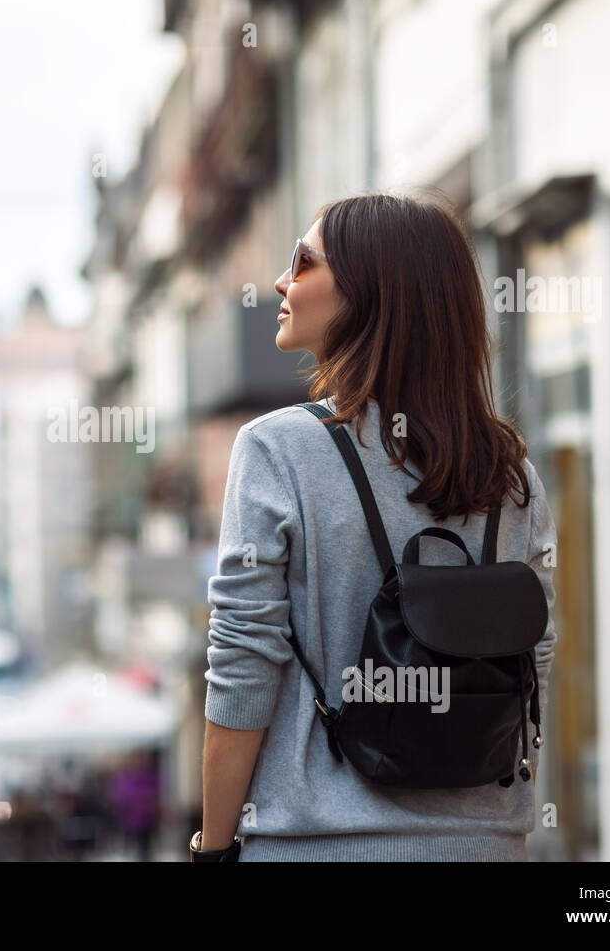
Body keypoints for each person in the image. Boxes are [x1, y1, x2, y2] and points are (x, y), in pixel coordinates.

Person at [193, 191, 558, 862]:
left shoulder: (277, 450)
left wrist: (213, 845)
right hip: (486, 843)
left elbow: (244, 663)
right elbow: (534, 661)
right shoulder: (511, 474)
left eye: (303, 261)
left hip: (315, 843)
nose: (281, 280)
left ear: (369, 292)